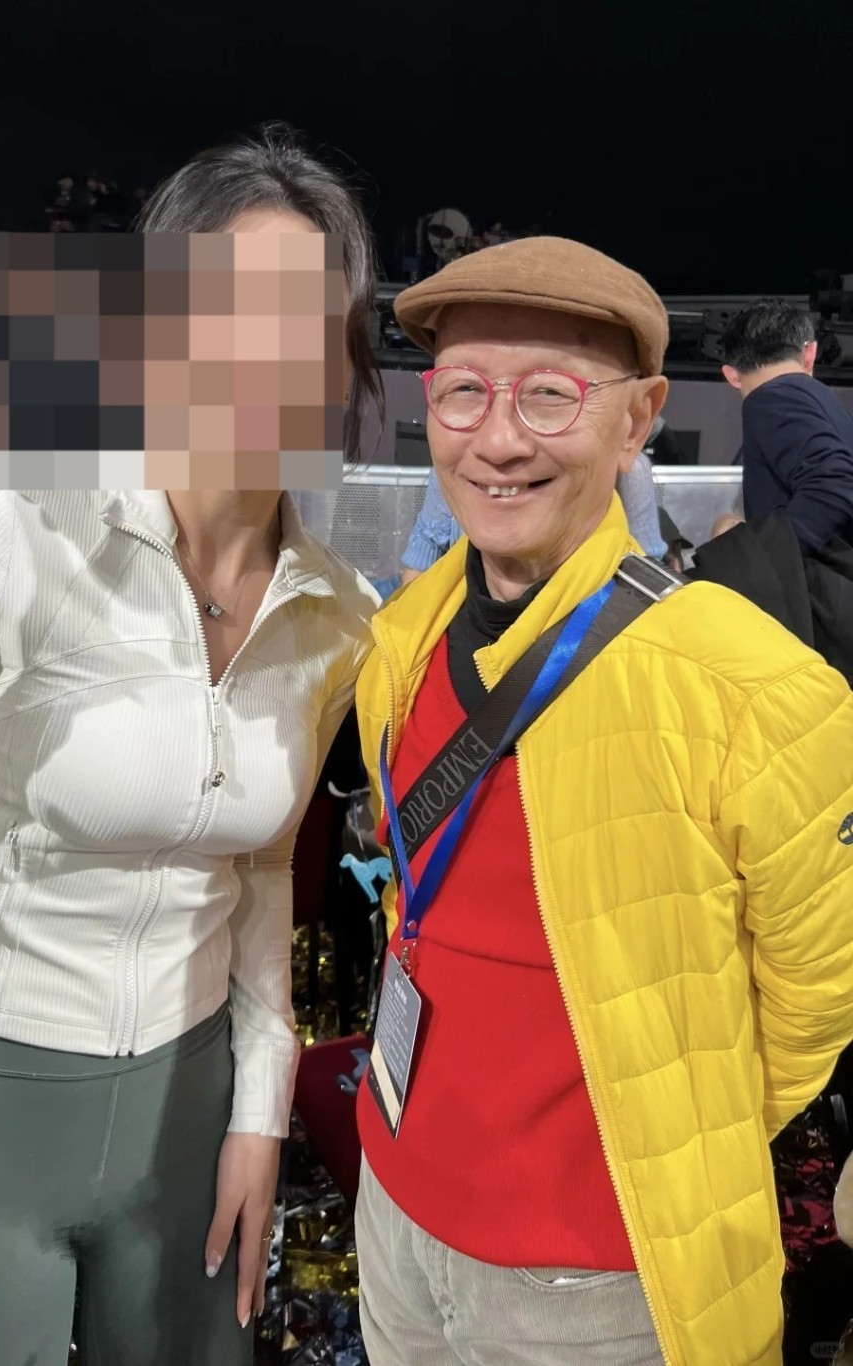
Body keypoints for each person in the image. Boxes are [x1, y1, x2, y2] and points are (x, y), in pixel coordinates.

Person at [0, 123, 382, 1366]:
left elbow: (258, 870)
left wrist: (258, 1110)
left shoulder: (337, 615)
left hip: (186, 1132)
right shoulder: (11, 522)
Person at [351, 236, 853, 1366]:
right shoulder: (401, 639)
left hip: (599, 1281)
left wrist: (668, 1129)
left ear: (638, 420)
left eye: (550, 395)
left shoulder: (748, 686)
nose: (497, 439)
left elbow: (813, 1001)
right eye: (465, 391)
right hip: (397, 1210)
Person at [399, 453, 667, 584]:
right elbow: (420, 562)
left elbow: (647, 572)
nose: (499, 447)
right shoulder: (454, 466)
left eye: (549, 393)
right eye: (468, 389)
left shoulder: (629, 471)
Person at [721, 299, 853, 551]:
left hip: (814, 574)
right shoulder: (827, 402)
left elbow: (834, 484)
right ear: (809, 354)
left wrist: (754, 549)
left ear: (732, 375)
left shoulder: (769, 398)